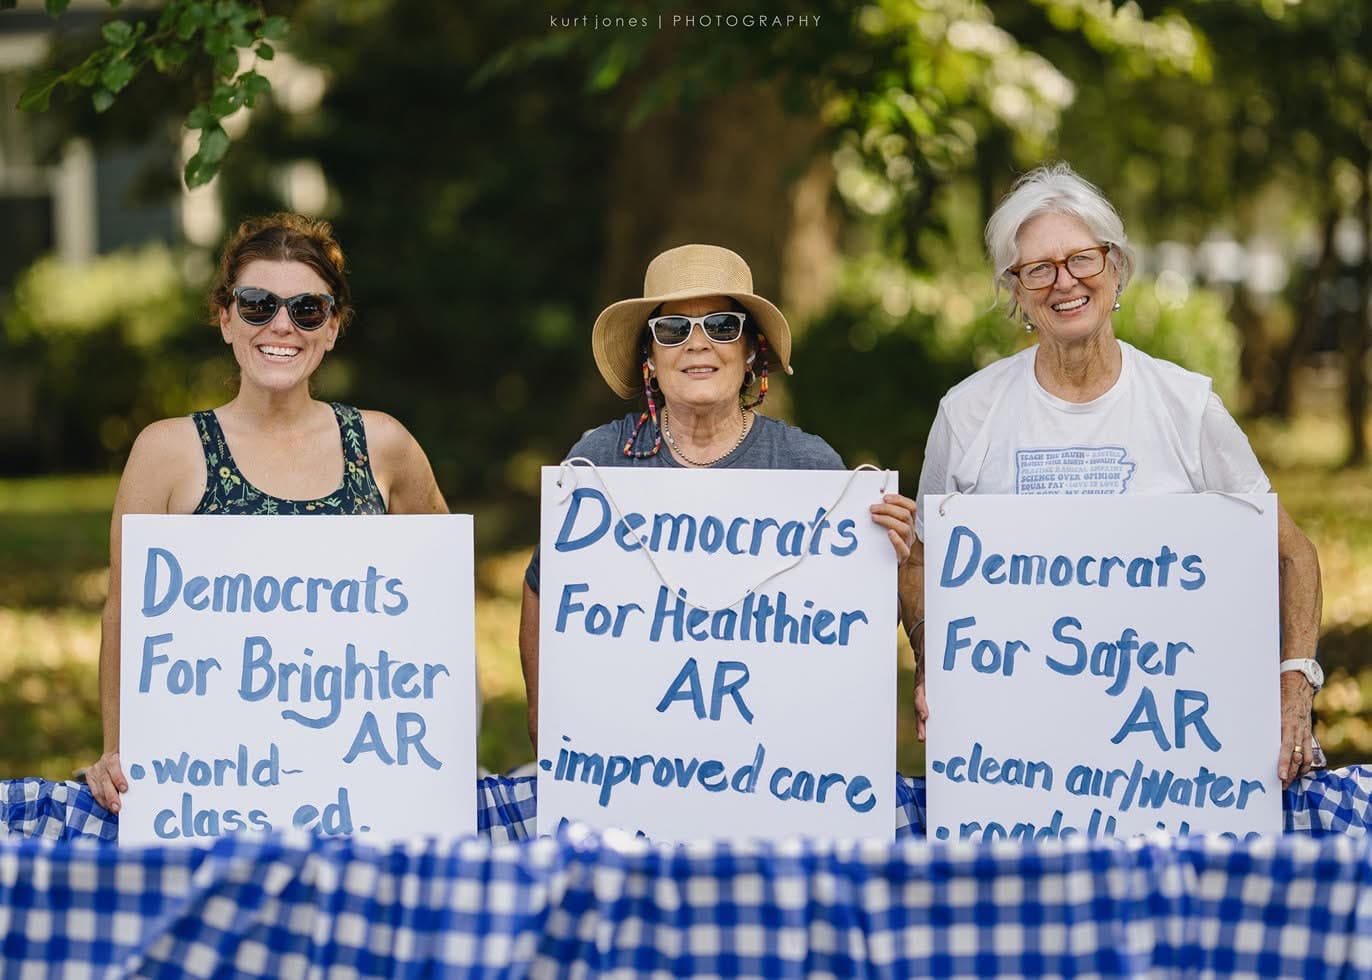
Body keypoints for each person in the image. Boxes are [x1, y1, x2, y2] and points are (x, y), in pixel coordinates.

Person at [909, 163, 1323, 787]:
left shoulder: (1186, 409)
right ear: (1016, 291)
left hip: (1171, 755)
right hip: (1014, 759)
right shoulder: (968, 413)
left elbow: (1294, 556)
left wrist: (1294, 686)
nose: (1064, 282)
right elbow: (918, 559)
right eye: (1038, 269)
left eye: (1082, 259)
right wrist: (929, 662)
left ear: (1116, 268)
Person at [85, 213, 448, 812]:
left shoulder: (383, 445)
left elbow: (440, 593)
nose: (281, 325)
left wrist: (439, 739)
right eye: (257, 304)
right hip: (208, 781)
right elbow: (124, 614)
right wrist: (117, 751)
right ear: (225, 318)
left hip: (359, 778)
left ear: (332, 328)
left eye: (307, 309)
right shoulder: (167, 452)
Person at [519, 243, 919, 746]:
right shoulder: (600, 461)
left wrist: (883, 556)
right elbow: (543, 586)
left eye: (722, 326)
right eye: (673, 330)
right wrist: (541, 708)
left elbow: (845, 626)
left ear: (750, 350)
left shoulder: (807, 466)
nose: (697, 344)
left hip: (770, 757)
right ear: (651, 354)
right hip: (629, 754)